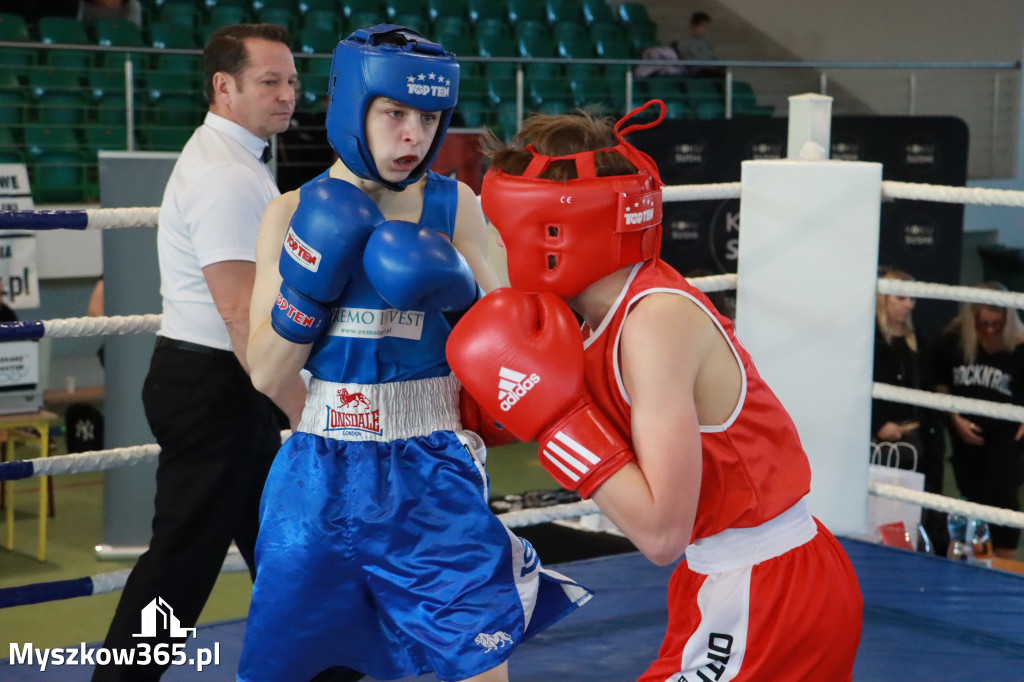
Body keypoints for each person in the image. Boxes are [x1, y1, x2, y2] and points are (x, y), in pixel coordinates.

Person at [447, 102, 863, 681]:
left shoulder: (653, 323)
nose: (497, 250)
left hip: (767, 586)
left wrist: (556, 424)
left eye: (500, 233)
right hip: (724, 578)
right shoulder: (592, 321)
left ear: (551, 234)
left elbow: (661, 531)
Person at [237, 24, 591, 682]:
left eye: (428, 118)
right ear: (352, 111)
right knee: (296, 670)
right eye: (395, 113)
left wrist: (461, 303)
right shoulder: (289, 213)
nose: (413, 136)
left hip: (429, 468)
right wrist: (309, 293)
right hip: (318, 471)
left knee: (479, 664)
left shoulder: (455, 207)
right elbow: (265, 372)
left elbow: (515, 361)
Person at [91, 24, 323, 681]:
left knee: (281, 547)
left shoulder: (241, 161)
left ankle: (324, 668)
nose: (288, 96)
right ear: (224, 87)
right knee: (183, 565)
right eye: (269, 82)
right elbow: (236, 310)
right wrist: (304, 409)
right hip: (215, 383)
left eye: (293, 82)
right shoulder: (226, 175)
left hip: (225, 384)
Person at [931, 281, 1024, 560]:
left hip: (1007, 431)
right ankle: (977, 556)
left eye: (997, 323)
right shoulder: (953, 341)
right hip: (966, 430)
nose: (990, 330)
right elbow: (939, 382)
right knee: (971, 491)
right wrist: (955, 417)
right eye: (984, 323)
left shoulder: (1019, 343)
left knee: (1004, 492)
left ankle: (1006, 560)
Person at [872, 267, 947, 553]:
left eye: (912, 298)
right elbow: (860, 386)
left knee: (920, 506)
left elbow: (927, 390)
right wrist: (879, 424)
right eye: (902, 297)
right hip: (886, 442)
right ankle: (887, 552)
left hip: (920, 438)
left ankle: (913, 553)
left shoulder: (917, 341)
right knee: (885, 506)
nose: (909, 304)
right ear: (885, 299)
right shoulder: (872, 340)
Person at [673, 11, 725, 79]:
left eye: (706, 28)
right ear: (695, 26)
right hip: (698, 72)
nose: (705, 30)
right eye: (703, 27)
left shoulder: (705, 42)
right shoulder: (684, 43)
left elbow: (710, 57)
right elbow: (687, 62)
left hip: (710, 68)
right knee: (720, 76)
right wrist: (705, 65)